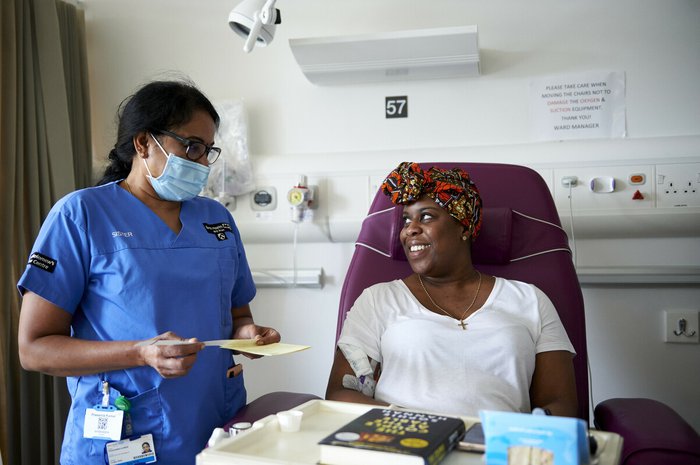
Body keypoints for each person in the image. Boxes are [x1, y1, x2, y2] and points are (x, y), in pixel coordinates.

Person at [17, 79, 279, 465]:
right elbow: (34, 348)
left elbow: (237, 314)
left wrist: (248, 335)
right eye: (191, 146)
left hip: (215, 429)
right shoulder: (81, 216)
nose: (202, 162)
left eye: (208, 150)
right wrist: (140, 353)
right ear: (143, 144)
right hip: (124, 434)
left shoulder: (216, 221)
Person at [325, 161, 578, 418]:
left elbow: (560, 404)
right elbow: (342, 394)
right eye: (405, 220)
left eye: (426, 217)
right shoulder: (378, 300)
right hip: (403, 445)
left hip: (497, 450)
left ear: (464, 226)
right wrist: (420, 427)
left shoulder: (530, 300)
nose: (409, 229)